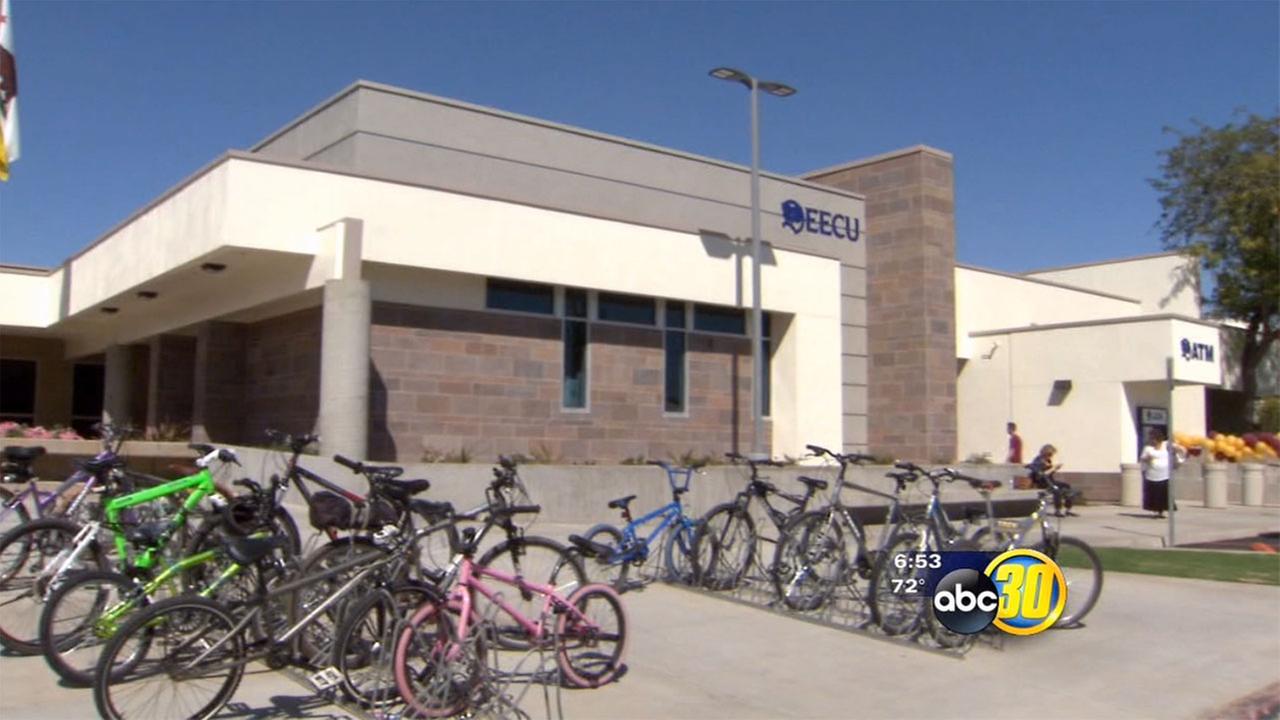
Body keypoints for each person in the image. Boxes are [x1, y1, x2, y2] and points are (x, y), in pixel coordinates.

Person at [1139, 429, 1186, 519]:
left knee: (1163, 493)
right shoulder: (1148, 448)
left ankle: (1162, 511)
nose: (1153, 441)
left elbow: (1181, 449)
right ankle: (1157, 511)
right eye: (1151, 439)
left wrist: (1178, 455)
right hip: (1152, 475)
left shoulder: (1166, 445)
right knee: (1155, 493)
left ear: (1158, 439)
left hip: (1164, 475)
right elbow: (1143, 459)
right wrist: (1148, 459)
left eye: (1154, 439)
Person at [1027, 444, 1076, 517]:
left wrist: (1055, 469)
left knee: (1067, 486)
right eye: (1050, 455)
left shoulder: (1048, 461)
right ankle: (1057, 510)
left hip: (1050, 481)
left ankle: (1068, 509)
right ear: (1045, 453)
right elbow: (1041, 475)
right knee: (1056, 490)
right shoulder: (1037, 461)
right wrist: (1052, 469)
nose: (1051, 456)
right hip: (1042, 483)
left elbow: (1049, 473)